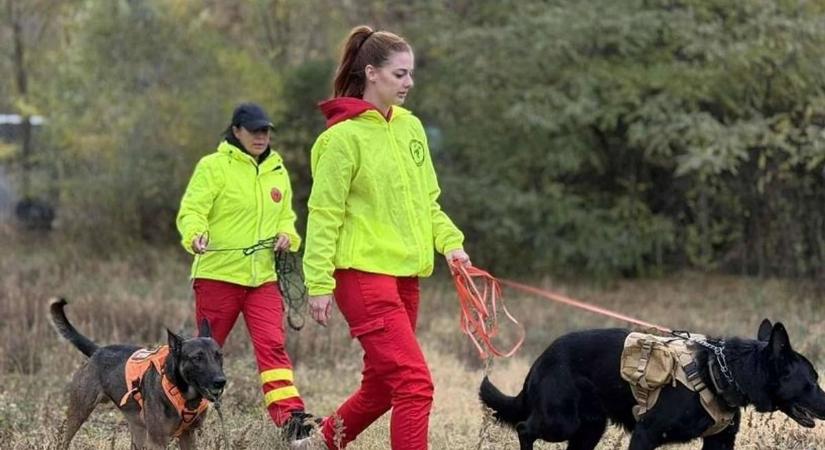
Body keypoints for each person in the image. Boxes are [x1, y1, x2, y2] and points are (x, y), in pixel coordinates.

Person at [303, 26, 471, 449]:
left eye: (411, 74)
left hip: (405, 277)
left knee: (382, 387)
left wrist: (451, 243)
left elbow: (427, 202)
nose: (409, 83)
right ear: (371, 73)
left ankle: (317, 443)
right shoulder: (340, 140)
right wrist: (319, 283)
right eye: (400, 74)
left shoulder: (411, 129)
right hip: (362, 277)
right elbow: (323, 215)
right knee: (415, 384)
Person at [176, 102, 315, 444]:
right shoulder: (213, 166)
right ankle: (184, 417)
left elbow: (286, 218)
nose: (261, 137)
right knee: (204, 355)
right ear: (236, 131)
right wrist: (194, 235)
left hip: (263, 280)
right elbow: (192, 211)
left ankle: (291, 421)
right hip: (217, 277)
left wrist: (288, 236)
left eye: (265, 131)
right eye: (254, 131)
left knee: (273, 347)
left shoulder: (277, 169)